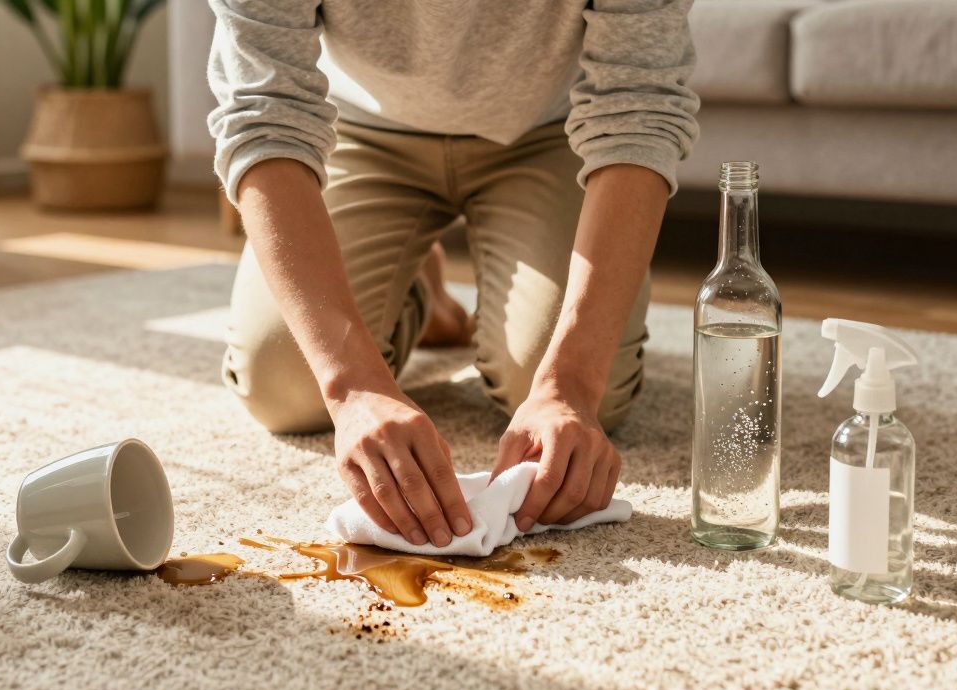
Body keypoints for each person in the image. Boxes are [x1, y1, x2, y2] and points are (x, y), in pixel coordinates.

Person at [207, 1, 698, 548]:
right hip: (358, 131)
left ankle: (426, 286)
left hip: (554, 134)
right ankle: (421, 288)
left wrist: (571, 386)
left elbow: (637, 108)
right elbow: (263, 115)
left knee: (573, 399)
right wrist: (353, 387)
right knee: (284, 385)